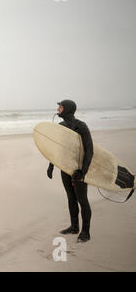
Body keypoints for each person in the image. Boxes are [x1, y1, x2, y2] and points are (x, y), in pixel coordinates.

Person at [47, 99, 93, 243]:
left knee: (82, 200)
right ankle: (74, 227)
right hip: (65, 168)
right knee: (71, 198)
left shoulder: (81, 126)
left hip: (78, 169)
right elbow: (57, 149)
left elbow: (89, 150)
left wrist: (83, 171)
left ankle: (86, 232)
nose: (58, 109)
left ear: (67, 109)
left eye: (60, 107)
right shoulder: (60, 126)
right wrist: (51, 165)